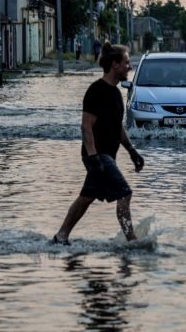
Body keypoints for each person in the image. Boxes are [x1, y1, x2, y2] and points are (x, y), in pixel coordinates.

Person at [52, 43, 145, 245]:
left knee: (87, 196)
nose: (129, 67)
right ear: (114, 64)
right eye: (126, 62)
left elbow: (117, 127)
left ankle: (61, 236)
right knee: (125, 192)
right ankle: (132, 241)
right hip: (98, 155)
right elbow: (86, 127)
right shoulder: (96, 90)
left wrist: (132, 151)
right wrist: (93, 158)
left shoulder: (115, 93)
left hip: (106, 155)